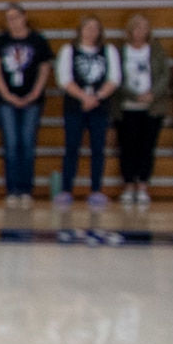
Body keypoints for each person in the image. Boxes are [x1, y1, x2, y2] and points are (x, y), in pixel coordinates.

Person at [0, 3, 52, 207]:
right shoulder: (0, 41)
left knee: (27, 142)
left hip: (32, 99)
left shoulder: (37, 41)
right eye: (9, 18)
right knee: (11, 143)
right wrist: (6, 94)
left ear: (25, 17)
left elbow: (44, 68)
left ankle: (26, 188)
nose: (13, 21)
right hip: (5, 100)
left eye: (16, 17)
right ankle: (12, 188)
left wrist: (35, 92)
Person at [55, 15, 119, 207]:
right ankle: (66, 189)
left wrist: (97, 97)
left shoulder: (108, 51)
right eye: (87, 27)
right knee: (72, 147)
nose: (91, 31)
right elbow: (64, 79)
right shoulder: (69, 50)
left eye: (95, 28)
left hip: (99, 107)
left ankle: (96, 189)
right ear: (80, 30)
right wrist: (84, 97)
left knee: (98, 148)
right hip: (75, 106)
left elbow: (114, 78)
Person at [114, 12, 170, 208]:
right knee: (128, 147)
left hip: (152, 107)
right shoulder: (121, 51)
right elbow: (116, 77)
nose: (140, 32)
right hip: (127, 107)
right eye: (137, 28)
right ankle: (129, 186)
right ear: (130, 31)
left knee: (147, 148)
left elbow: (164, 74)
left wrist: (152, 93)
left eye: (144, 28)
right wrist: (133, 95)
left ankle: (143, 186)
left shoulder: (156, 50)